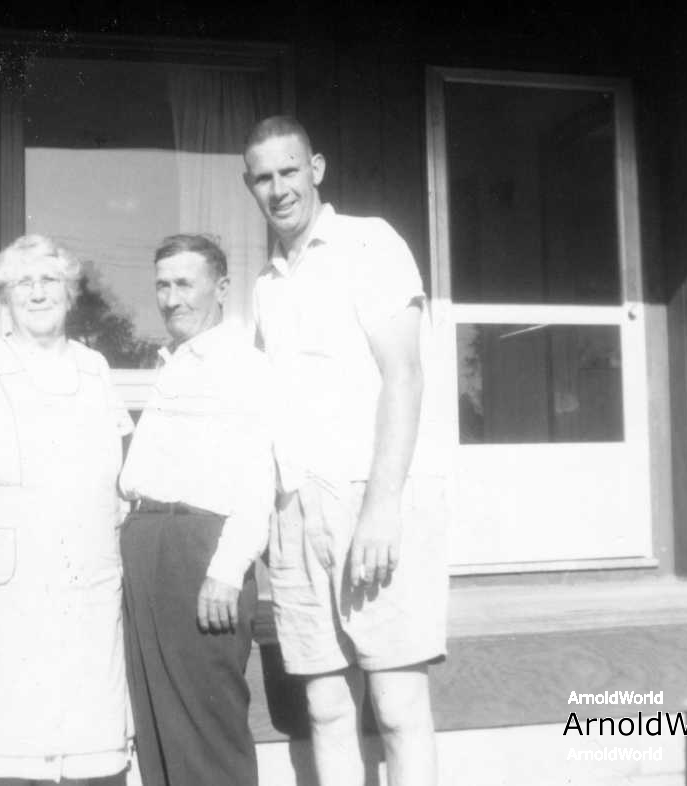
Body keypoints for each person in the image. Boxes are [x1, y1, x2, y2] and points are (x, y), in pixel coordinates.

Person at [242, 116, 448, 786]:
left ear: (317, 169)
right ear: (250, 186)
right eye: (263, 178)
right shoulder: (266, 284)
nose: (279, 189)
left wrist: (382, 509)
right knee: (327, 706)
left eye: (289, 171)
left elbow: (404, 375)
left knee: (396, 703)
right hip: (295, 509)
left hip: (370, 496)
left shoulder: (370, 242)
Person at [0, 234, 133, 786]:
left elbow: (119, 471)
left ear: (70, 293)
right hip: (12, 580)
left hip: (87, 573)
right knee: (16, 730)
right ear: (4, 296)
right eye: (22, 282)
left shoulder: (94, 367)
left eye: (49, 280)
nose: (37, 293)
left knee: (88, 726)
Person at [118, 234, 275, 786]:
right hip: (148, 545)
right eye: (162, 285)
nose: (171, 298)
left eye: (185, 283)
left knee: (208, 733)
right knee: (158, 729)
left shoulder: (243, 365)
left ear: (222, 288)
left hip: (201, 554)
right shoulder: (173, 363)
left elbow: (258, 479)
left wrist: (227, 571)